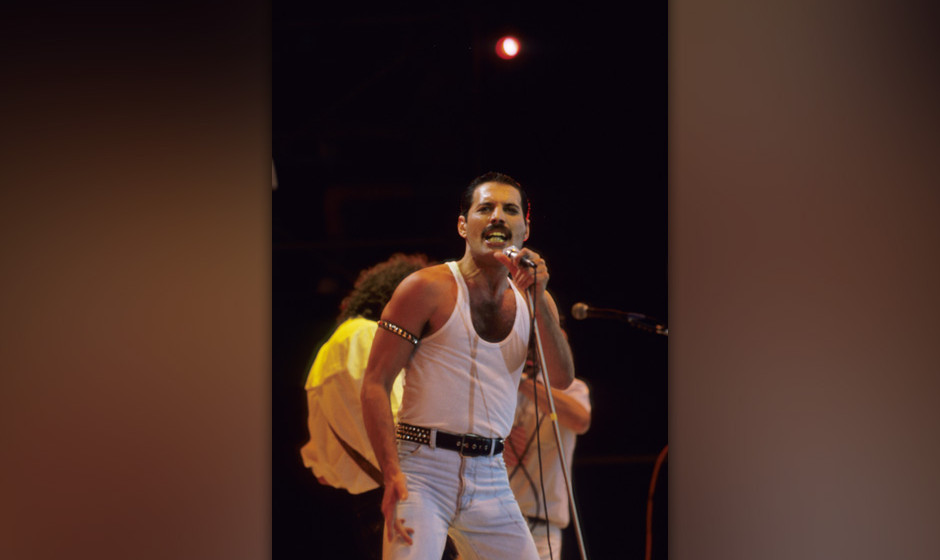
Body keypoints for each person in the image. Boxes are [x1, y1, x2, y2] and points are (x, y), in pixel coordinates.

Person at [361, 171, 575, 560]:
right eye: (485, 208)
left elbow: (561, 378)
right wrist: (391, 472)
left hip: (491, 475)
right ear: (463, 225)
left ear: (524, 230)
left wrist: (540, 296)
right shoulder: (425, 288)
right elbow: (375, 382)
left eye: (510, 210)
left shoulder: (534, 301)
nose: (498, 217)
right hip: (422, 469)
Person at [300, 253, 431, 560]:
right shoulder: (367, 335)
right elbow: (403, 424)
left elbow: (321, 470)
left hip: (372, 509)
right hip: (405, 498)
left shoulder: (328, 350)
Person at [504, 343, 591, 560]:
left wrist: (525, 383)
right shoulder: (500, 387)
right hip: (495, 519)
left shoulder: (571, 388)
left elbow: (581, 420)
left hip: (542, 529)